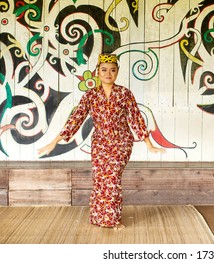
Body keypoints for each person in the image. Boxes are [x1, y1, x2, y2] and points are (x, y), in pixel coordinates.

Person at [38, 53, 165, 229]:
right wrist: (54, 141)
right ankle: (99, 217)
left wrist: (149, 143)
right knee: (100, 180)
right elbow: (76, 118)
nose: (108, 73)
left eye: (112, 70)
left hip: (121, 143)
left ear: (117, 72)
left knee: (112, 178)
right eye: (104, 70)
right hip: (99, 144)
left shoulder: (124, 93)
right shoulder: (91, 95)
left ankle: (112, 220)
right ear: (97, 72)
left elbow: (136, 118)